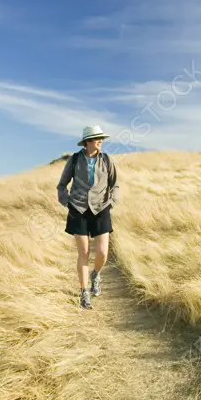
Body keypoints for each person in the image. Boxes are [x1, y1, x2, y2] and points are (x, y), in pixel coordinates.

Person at [57, 125, 120, 309]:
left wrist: (112, 202)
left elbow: (115, 185)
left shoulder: (107, 160)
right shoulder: (75, 160)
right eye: (97, 138)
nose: (101, 141)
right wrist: (67, 202)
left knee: (102, 252)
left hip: (101, 209)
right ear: (87, 141)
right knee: (83, 252)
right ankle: (84, 293)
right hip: (78, 209)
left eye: (101, 138)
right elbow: (62, 185)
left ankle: (96, 275)